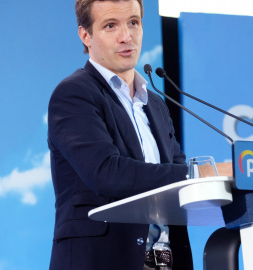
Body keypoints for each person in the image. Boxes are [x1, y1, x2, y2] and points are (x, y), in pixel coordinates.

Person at [48, 0, 196, 269]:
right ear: (86, 35)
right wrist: (198, 174)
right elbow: (107, 172)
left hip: (166, 260)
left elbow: (175, 178)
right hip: (102, 259)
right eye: (110, 25)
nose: (126, 36)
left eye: (133, 22)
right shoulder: (74, 94)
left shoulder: (156, 104)